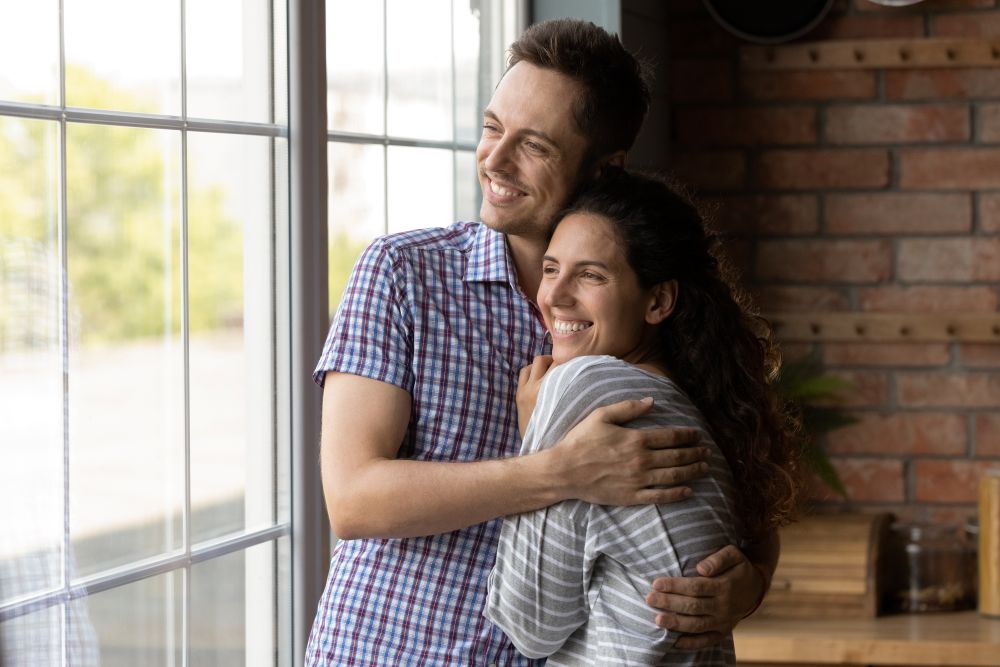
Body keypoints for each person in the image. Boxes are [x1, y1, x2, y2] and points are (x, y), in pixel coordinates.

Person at [306, 19, 777, 666]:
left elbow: (736, 471)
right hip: (389, 651)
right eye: (492, 127)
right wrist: (557, 470)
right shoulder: (402, 274)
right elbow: (353, 498)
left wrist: (749, 580)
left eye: (534, 146)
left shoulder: (630, 315)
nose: (495, 160)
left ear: (603, 168)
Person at [485, 170, 802, 665]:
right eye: (550, 269)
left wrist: (540, 443)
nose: (555, 295)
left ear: (658, 301)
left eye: (591, 275)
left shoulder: (583, 384)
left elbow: (531, 625)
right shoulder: (700, 399)